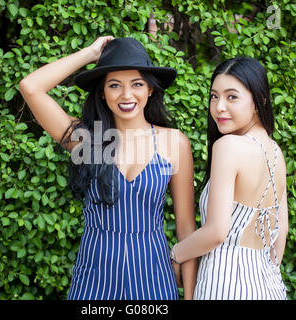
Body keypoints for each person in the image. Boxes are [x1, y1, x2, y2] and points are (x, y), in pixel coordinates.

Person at [18, 36, 198, 300]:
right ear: (103, 92)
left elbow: (186, 230)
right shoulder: (86, 140)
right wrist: (90, 53)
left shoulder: (174, 143)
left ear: (149, 89)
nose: (127, 95)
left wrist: (191, 297)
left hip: (153, 275)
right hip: (95, 277)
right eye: (114, 85)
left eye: (137, 84)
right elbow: (30, 87)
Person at [170, 57, 288, 300]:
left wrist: (175, 254)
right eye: (214, 96)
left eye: (231, 96)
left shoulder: (228, 146)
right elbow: (281, 232)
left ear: (259, 101)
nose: (219, 106)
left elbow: (216, 232)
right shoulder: (275, 152)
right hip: (269, 285)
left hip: (224, 283)